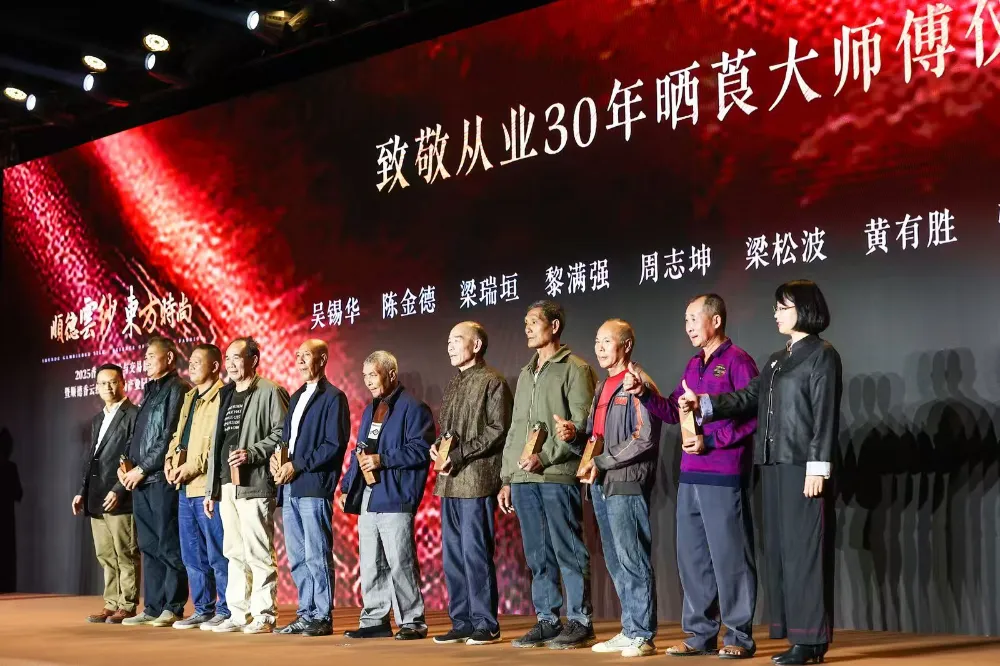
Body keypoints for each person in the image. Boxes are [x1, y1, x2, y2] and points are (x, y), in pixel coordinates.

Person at [678, 281, 842, 666]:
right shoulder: (777, 359)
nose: (776, 314)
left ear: (805, 309)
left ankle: (811, 640)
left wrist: (818, 466)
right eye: (776, 308)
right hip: (772, 465)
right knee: (782, 553)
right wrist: (703, 404)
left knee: (806, 551)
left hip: (802, 466)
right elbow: (747, 398)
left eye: (783, 307)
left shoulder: (822, 355)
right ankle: (797, 635)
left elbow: (825, 415)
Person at [623, 294, 759, 659]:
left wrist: (710, 440)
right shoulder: (693, 364)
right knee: (693, 558)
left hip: (723, 473)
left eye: (693, 319)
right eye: (685, 321)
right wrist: (644, 393)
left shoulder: (738, 361)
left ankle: (739, 636)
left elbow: (754, 415)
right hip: (691, 474)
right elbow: (673, 410)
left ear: (715, 321)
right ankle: (700, 634)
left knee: (730, 557)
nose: (688, 327)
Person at [500, 300, 598, 650]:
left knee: (568, 548)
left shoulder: (576, 368)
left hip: (556, 475)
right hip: (525, 479)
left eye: (534, 321)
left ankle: (580, 620)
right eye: (525, 322)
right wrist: (507, 477)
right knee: (537, 555)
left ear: (554, 326)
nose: (527, 328)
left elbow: (580, 425)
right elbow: (516, 429)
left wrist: (544, 457)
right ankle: (547, 619)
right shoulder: (526, 373)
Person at [578, 320, 660, 658]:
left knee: (633, 557)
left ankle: (643, 634)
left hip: (626, 481)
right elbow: (594, 436)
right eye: (597, 341)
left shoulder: (638, 383)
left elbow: (645, 437)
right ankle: (630, 629)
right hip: (601, 482)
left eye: (606, 341)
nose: (599, 348)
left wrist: (603, 461)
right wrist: (574, 438)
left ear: (626, 345)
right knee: (615, 560)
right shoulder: (602, 386)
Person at [340, 351, 434, 640]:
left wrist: (383, 460)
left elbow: (421, 450)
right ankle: (375, 620)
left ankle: (412, 621)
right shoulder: (371, 410)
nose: (368, 381)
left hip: (395, 494)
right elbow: (360, 450)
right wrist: (347, 486)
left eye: (373, 374)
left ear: (392, 374)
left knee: (400, 561)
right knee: (371, 563)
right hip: (369, 495)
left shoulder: (414, 408)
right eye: (365, 376)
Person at [430, 322, 513, 646]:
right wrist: (438, 447)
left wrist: (460, 453)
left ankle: (486, 624)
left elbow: (498, 430)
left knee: (475, 553)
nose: (449, 346)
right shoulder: (454, 382)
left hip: (476, 481)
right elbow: (447, 430)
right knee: (452, 557)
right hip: (449, 482)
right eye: (448, 341)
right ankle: (462, 621)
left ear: (476, 345)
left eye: (456, 340)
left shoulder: (493, 381)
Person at [204, 337, 289, 634]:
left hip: (254, 482)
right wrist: (211, 489)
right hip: (227, 484)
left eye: (236, 358)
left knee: (258, 551)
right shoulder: (226, 393)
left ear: (254, 360)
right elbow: (218, 444)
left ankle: (264, 614)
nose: (230, 364)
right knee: (234, 552)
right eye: (227, 358)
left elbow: (283, 433)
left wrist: (252, 453)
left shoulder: (270, 391)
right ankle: (240, 614)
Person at [272, 339, 350, 637]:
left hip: (314, 485)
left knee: (317, 554)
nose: (300, 361)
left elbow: (334, 445)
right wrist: (277, 460)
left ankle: (322, 615)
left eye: (307, 355)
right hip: (290, 486)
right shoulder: (295, 397)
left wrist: (297, 464)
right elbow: (287, 440)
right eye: (298, 356)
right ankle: (305, 613)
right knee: (297, 556)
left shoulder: (334, 397)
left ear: (323, 359)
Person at [119, 336, 191, 627]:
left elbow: (170, 435)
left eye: (151, 356)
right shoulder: (149, 391)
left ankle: (173, 606)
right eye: (145, 356)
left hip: (160, 478)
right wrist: (126, 465)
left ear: (169, 358)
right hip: (140, 480)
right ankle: (152, 606)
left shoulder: (178, 388)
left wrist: (143, 468)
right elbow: (136, 435)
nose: (146, 361)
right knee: (148, 545)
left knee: (168, 543)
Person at [164, 344, 230, 630]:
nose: (190, 366)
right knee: (192, 554)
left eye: (197, 362)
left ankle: (226, 609)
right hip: (184, 487)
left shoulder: (223, 395)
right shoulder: (190, 396)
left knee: (217, 552)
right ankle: (203, 608)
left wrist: (192, 467)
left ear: (215, 366)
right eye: (189, 362)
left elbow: (216, 443)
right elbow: (178, 436)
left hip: (207, 486)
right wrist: (169, 461)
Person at [72, 363, 140, 624]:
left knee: (125, 552)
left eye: (112, 382)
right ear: (96, 387)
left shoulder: (133, 414)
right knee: (105, 554)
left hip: (119, 495)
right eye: (102, 383)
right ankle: (111, 603)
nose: (108, 387)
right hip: (96, 495)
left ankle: (128, 604)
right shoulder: (98, 419)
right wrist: (82, 491)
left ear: (123, 383)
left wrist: (119, 489)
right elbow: (92, 458)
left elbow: (134, 455)